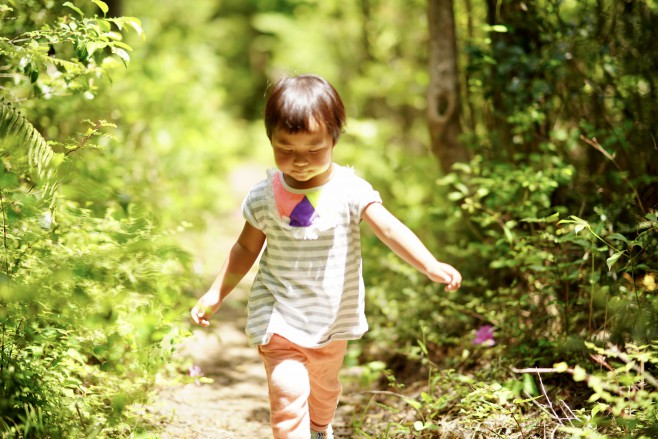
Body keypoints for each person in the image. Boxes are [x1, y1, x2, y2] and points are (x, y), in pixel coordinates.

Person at [190, 73, 462, 439]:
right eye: (285, 149)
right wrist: (215, 293)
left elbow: (390, 229)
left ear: (334, 139)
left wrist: (429, 264)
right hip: (279, 314)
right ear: (270, 139)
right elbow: (245, 248)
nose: (299, 161)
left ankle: (320, 428)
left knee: (324, 392)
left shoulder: (349, 190)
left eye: (313, 149)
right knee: (288, 395)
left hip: (332, 318)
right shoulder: (263, 196)